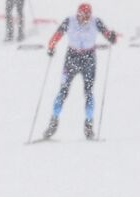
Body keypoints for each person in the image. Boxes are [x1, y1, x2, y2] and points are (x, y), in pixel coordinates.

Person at [43, 3, 118, 140]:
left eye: (88, 16)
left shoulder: (96, 21)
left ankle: (89, 126)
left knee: (88, 92)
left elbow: (108, 35)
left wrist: (112, 37)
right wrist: (51, 46)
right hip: (72, 57)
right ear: (78, 14)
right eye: (83, 16)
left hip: (89, 59)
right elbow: (57, 35)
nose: (86, 19)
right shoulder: (69, 21)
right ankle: (53, 123)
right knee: (63, 90)